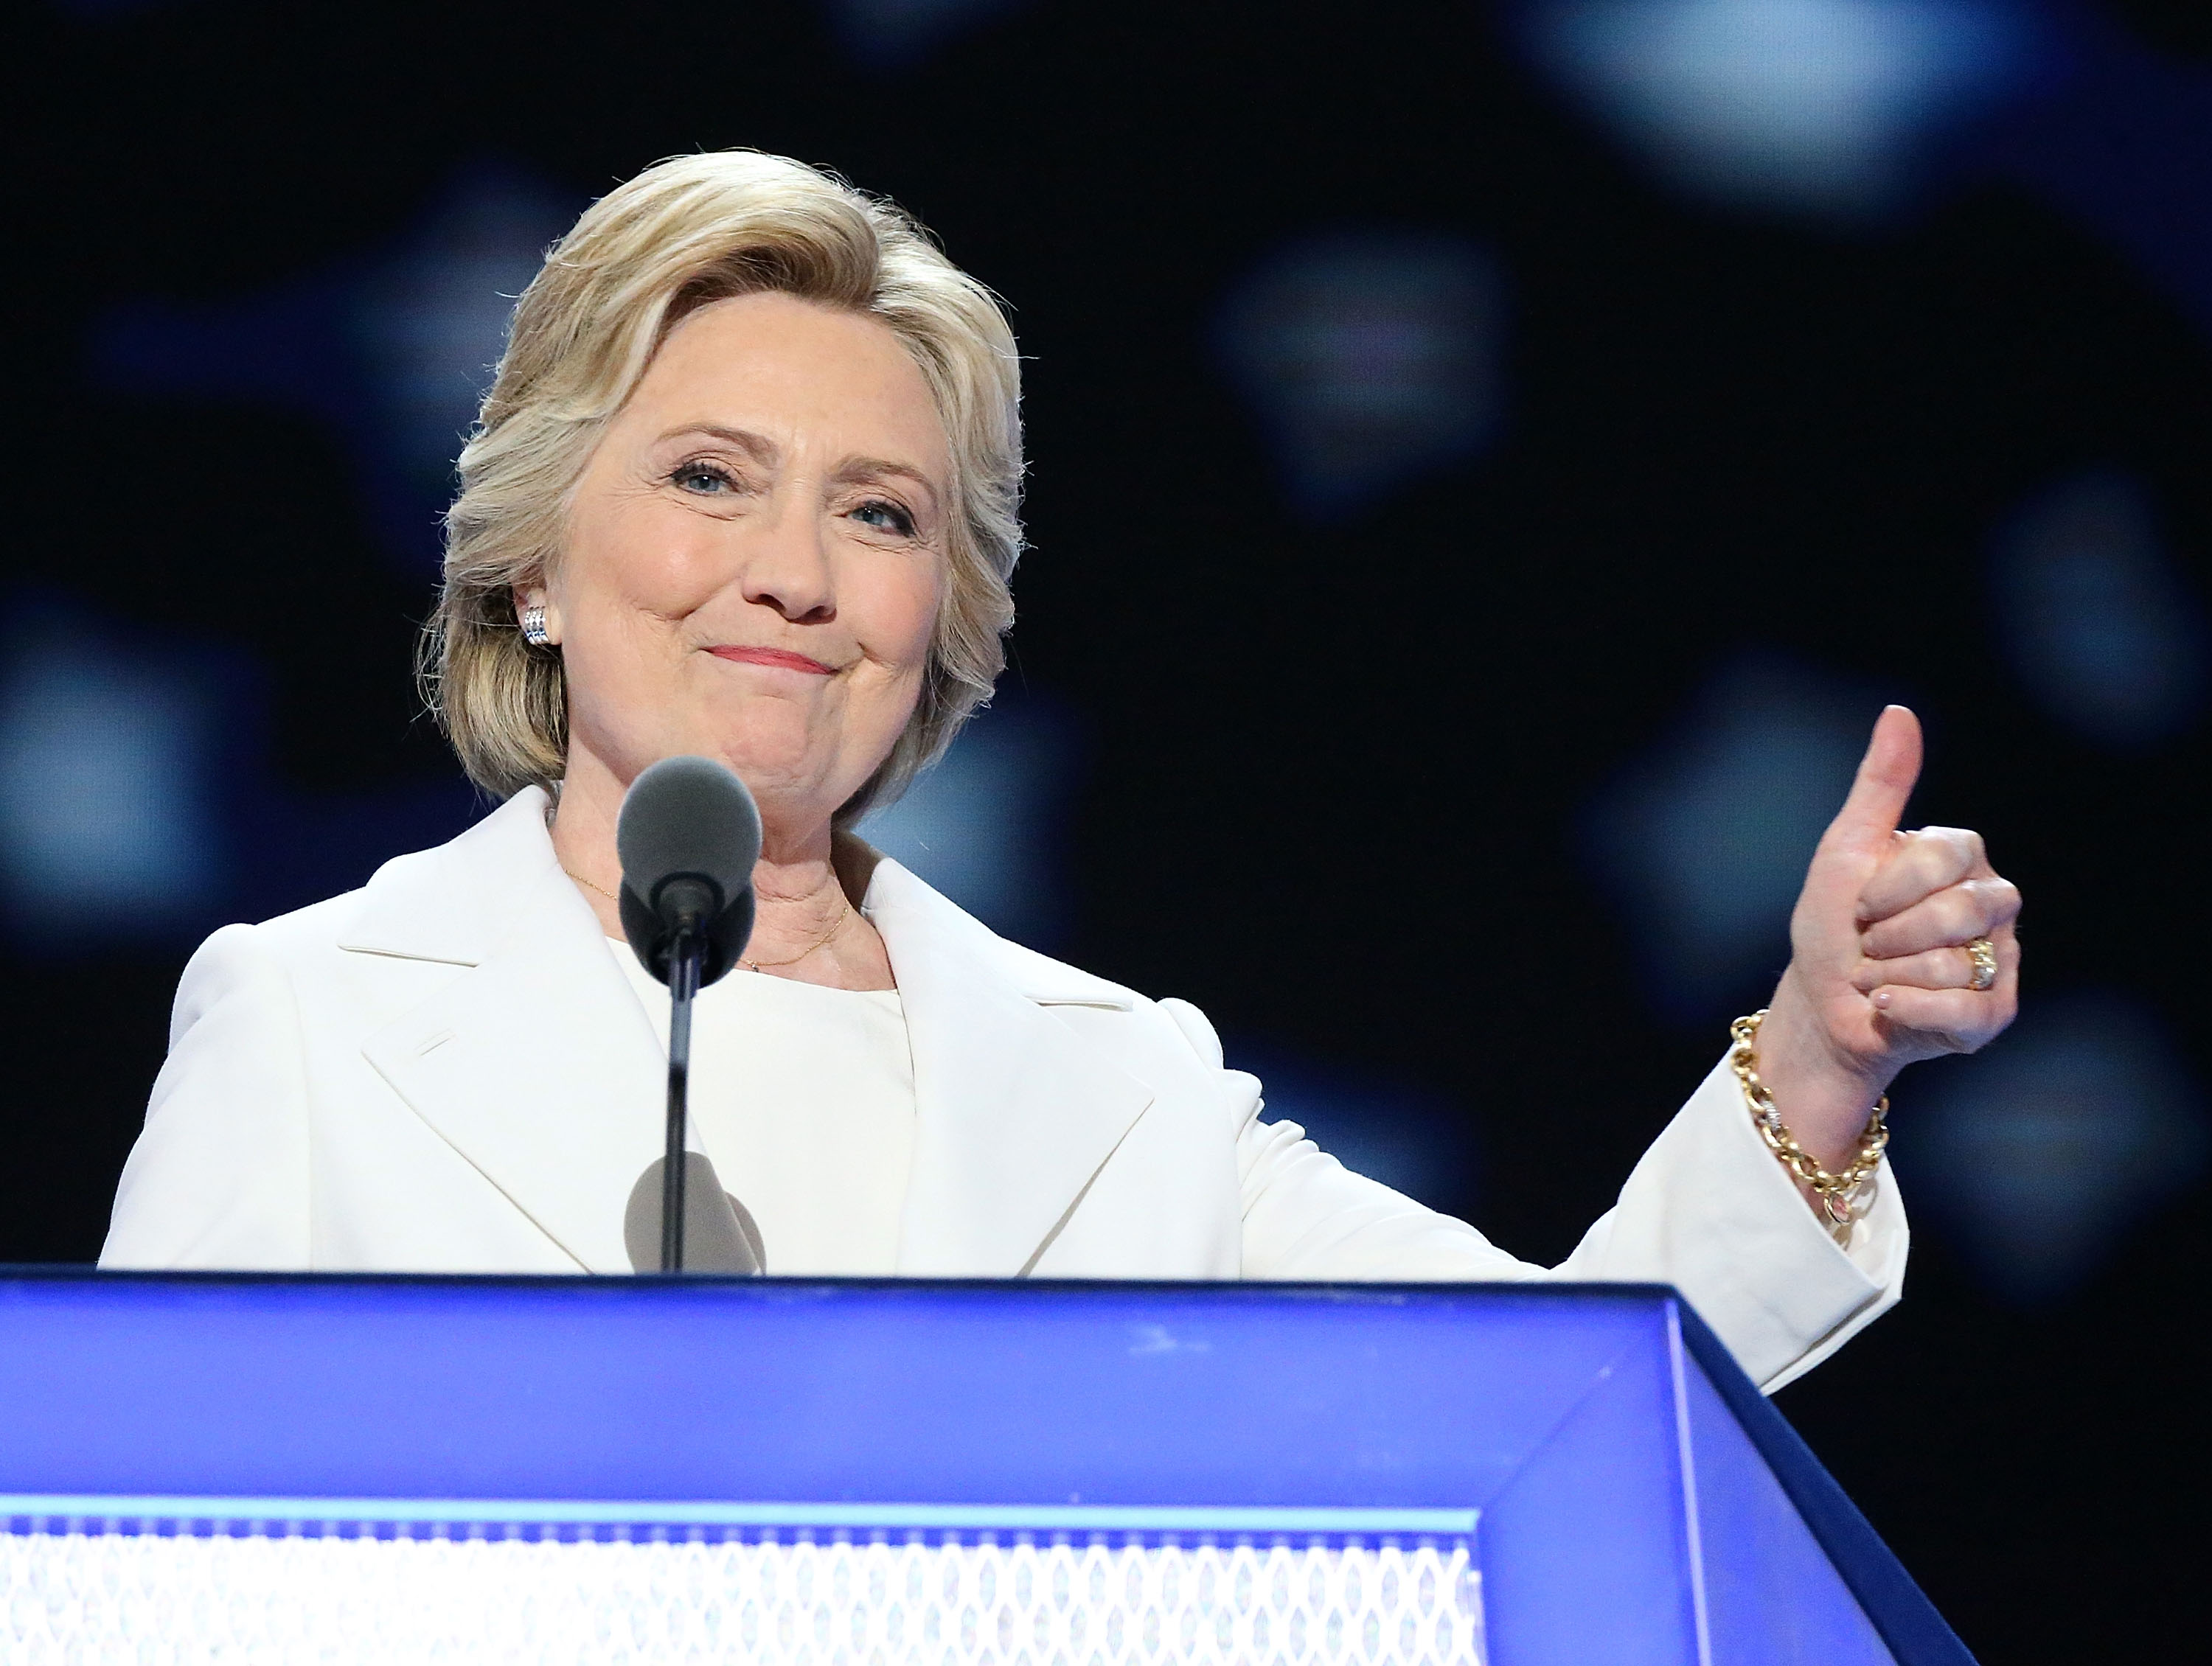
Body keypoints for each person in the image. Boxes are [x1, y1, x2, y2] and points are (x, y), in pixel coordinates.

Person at [99, 150, 2020, 1393]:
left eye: (877, 509)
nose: (793, 570)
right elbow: (126, 1582)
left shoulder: (1129, 1093)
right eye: (707, 477)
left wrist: (1823, 1051)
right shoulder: (310, 1025)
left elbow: (1571, 1400)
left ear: (946, 606)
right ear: (530, 550)